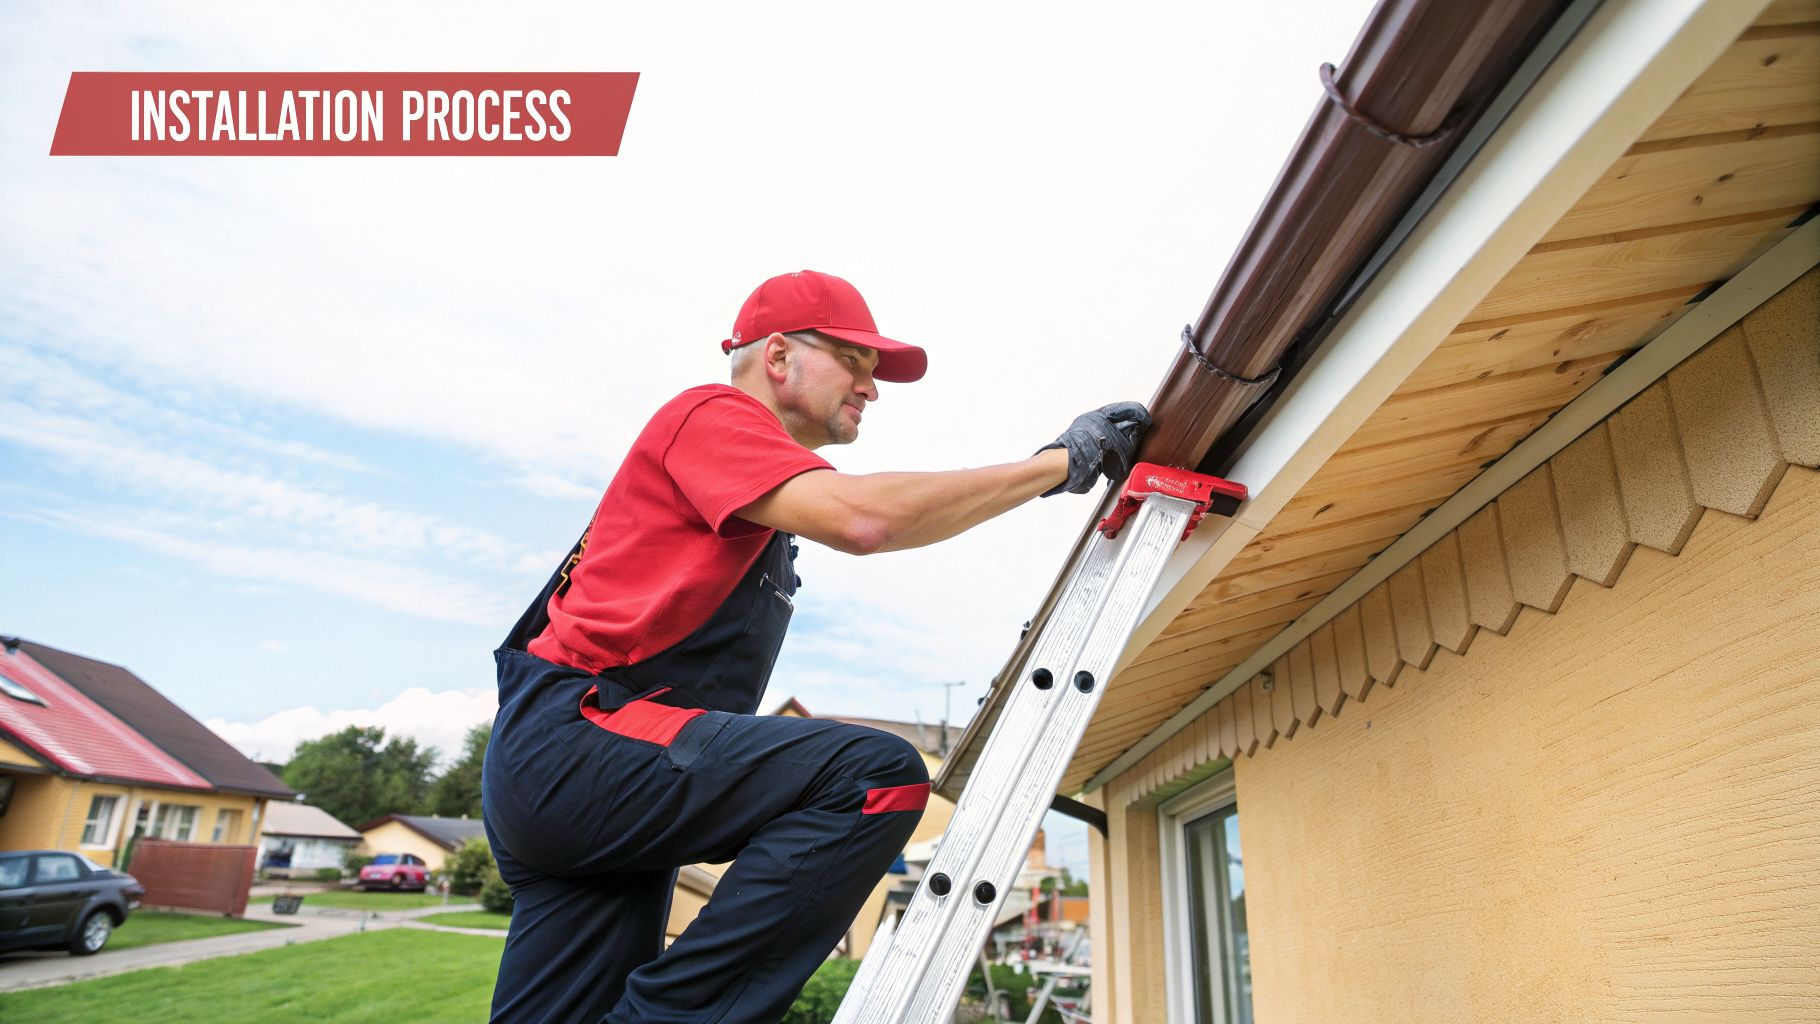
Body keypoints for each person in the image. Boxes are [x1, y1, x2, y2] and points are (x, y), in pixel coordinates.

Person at [482, 269, 1149, 1023]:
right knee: (872, 778)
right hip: (580, 747)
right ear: (777, 358)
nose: (871, 388)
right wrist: (1059, 465)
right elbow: (866, 519)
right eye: (854, 364)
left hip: (571, 777)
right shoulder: (712, 415)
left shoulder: (748, 487)